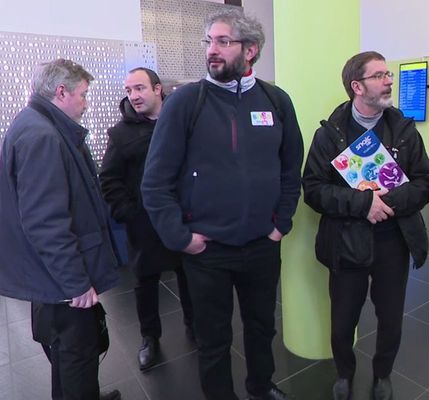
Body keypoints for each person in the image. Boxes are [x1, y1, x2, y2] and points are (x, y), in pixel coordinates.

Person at [141, 9, 304, 400]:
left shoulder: (276, 101)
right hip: (207, 249)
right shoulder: (185, 102)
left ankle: (261, 388)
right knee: (213, 338)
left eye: (223, 42)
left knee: (262, 327)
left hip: (262, 244)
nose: (212, 50)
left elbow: (290, 168)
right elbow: (155, 183)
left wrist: (281, 222)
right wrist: (181, 238)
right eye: (209, 41)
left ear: (251, 50)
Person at [303, 51, 429, 400]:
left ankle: (382, 374)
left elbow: (426, 181)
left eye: (388, 74)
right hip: (346, 241)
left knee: (391, 318)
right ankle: (344, 373)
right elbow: (313, 190)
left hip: (394, 239)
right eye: (379, 75)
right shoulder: (329, 134)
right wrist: (363, 204)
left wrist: (385, 204)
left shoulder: (404, 130)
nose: (389, 80)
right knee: (343, 319)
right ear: (357, 86)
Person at [0, 59, 121, 400]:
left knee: (66, 353)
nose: (86, 103)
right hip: (62, 282)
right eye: (83, 95)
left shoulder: (36, 125)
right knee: (78, 356)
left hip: (51, 277)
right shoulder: (42, 136)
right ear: (61, 91)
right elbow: (46, 223)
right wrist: (76, 283)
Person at [99, 67, 194, 371]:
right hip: (144, 226)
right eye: (128, 90)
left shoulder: (181, 123)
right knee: (146, 283)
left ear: (157, 89)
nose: (133, 96)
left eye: (139, 88)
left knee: (190, 277)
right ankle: (149, 338)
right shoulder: (121, 133)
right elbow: (109, 179)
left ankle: (196, 327)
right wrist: (130, 212)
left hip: (183, 220)